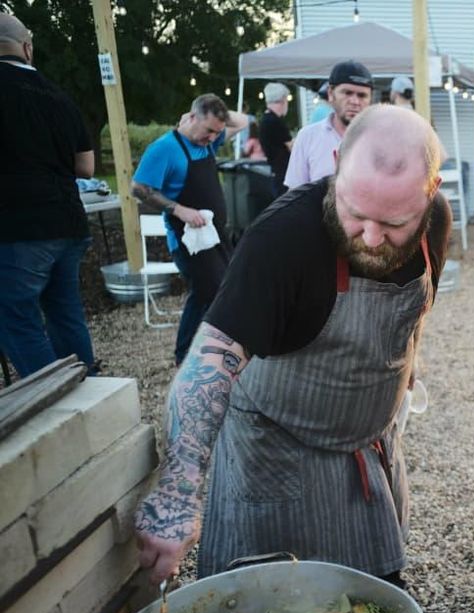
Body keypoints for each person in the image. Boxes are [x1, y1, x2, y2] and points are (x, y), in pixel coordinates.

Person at [133, 105, 452, 587]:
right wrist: (178, 495)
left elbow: (415, 311)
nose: (370, 238)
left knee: (377, 598)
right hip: (275, 449)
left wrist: (407, 371)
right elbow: (209, 363)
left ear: (430, 191)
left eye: (394, 224)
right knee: (269, 604)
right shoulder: (283, 236)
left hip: (365, 449)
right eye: (355, 213)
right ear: (337, 162)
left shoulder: (436, 221)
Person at [0, 13, 98, 377]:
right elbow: (86, 166)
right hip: (69, 220)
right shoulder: (59, 95)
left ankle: (54, 397)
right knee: (65, 313)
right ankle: (88, 392)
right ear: (27, 48)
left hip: (19, 225)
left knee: (15, 317)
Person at [132, 94, 248, 366]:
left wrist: (214, 117)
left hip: (215, 237)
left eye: (217, 132)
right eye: (209, 130)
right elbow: (139, 188)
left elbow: (243, 121)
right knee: (207, 292)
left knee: (220, 290)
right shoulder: (165, 148)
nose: (213, 138)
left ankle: (209, 350)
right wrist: (179, 209)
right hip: (187, 240)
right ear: (193, 117)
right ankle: (185, 355)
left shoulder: (207, 141)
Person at [284, 60, 373, 188]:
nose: (355, 101)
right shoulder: (308, 137)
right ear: (331, 94)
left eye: (362, 95)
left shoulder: (381, 139)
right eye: (347, 93)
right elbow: (295, 193)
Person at [258, 82, 292, 195]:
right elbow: (292, 147)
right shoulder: (276, 122)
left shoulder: (265, 120)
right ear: (282, 100)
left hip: (275, 171)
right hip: (283, 173)